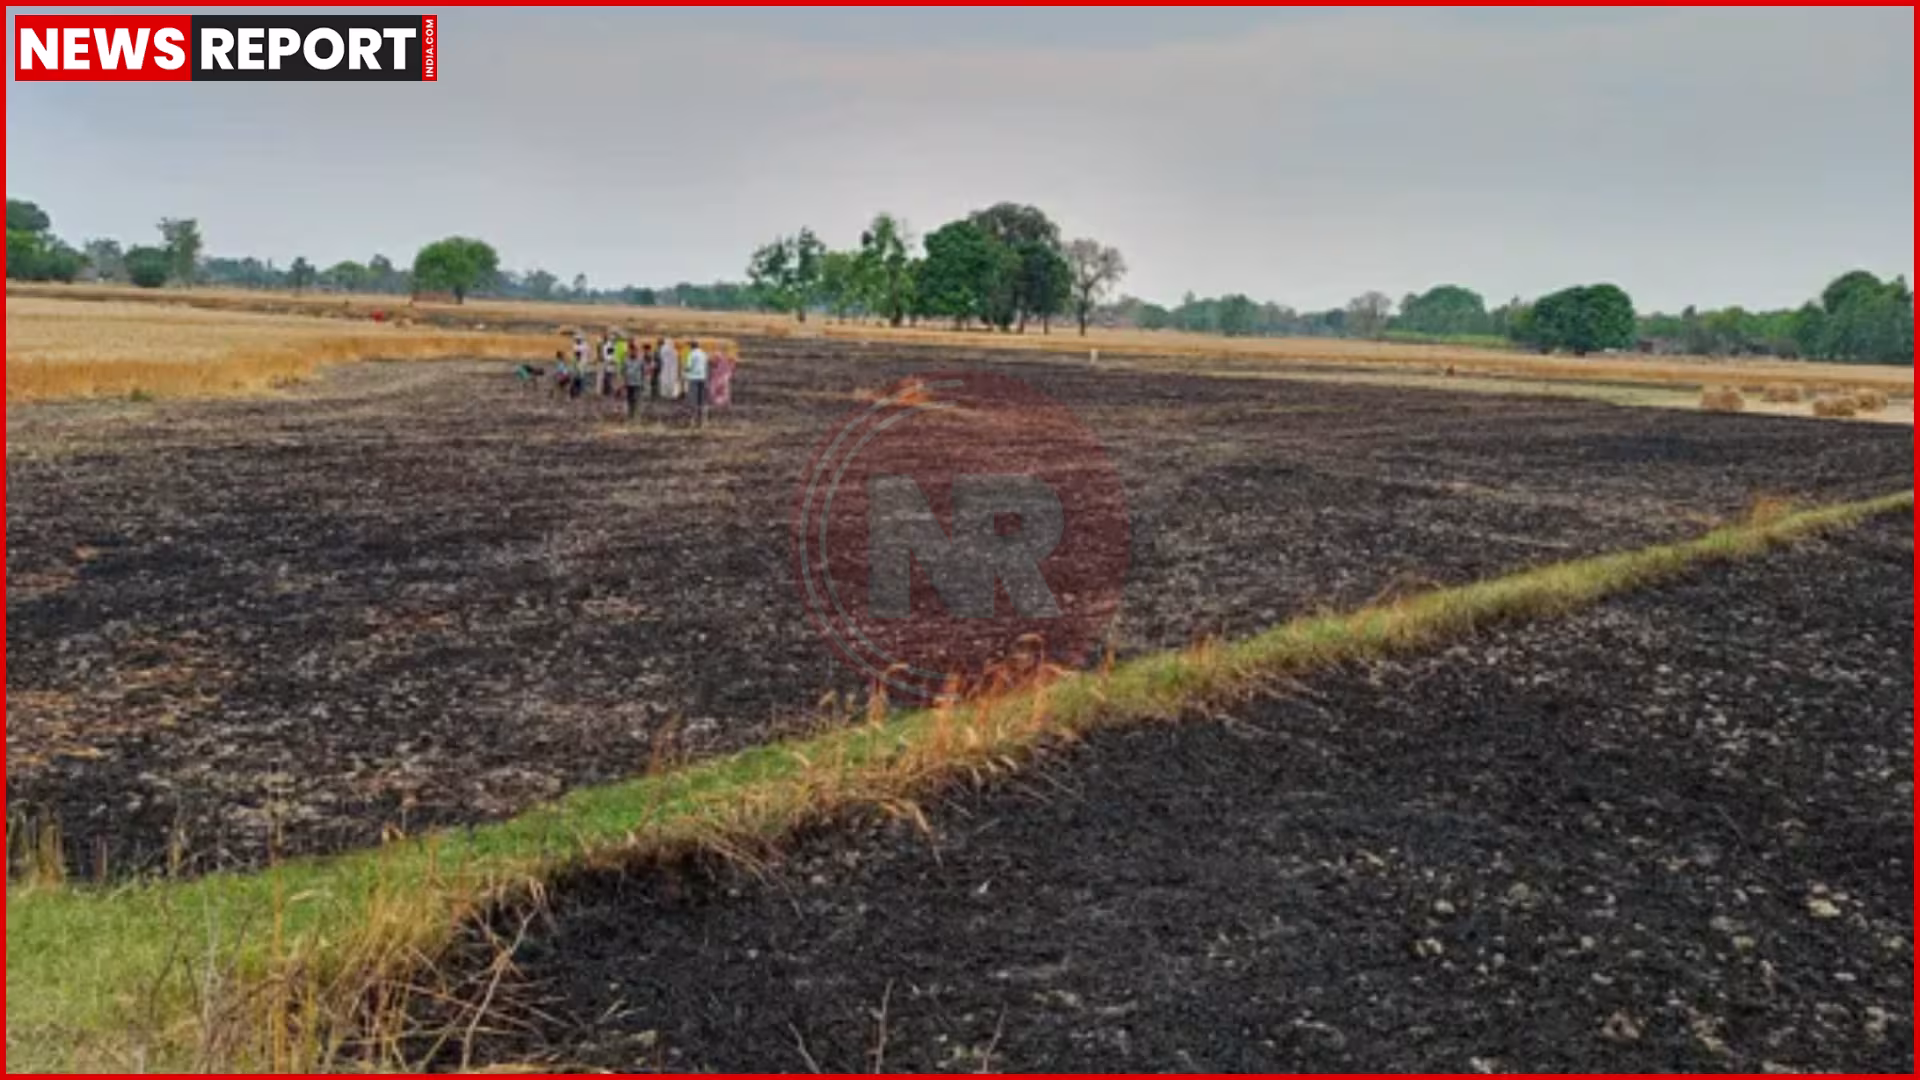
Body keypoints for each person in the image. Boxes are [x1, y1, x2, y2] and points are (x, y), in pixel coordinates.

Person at [684, 339, 710, 428]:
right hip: (703, 378)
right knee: (702, 401)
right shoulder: (704, 354)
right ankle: (703, 422)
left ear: (691, 346)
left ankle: (692, 421)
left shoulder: (691, 354)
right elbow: (706, 366)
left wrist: (684, 371)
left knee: (693, 401)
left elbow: (688, 367)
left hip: (693, 379)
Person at [657, 337, 681, 401]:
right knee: (672, 381)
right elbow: (677, 360)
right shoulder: (675, 351)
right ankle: (672, 394)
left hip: (666, 368)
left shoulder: (663, 349)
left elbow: (661, 359)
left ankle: (666, 394)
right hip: (672, 369)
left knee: (666, 381)